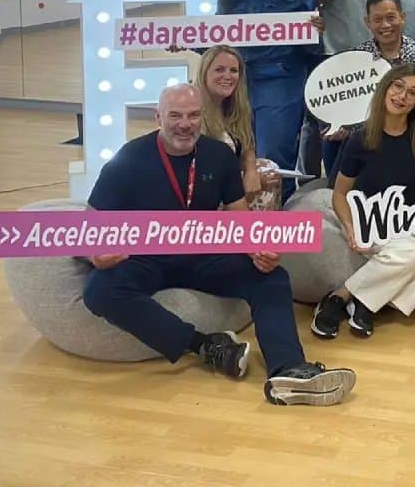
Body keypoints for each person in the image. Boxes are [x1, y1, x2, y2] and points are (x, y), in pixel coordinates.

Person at [82, 84, 356, 407]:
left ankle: (289, 370)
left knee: (272, 277)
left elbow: (240, 220)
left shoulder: (219, 155)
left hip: (202, 255)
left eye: (193, 115)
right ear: (158, 117)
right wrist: (95, 254)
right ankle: (205, 346)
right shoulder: (129, 157)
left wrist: (258, 248)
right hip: (147, 258)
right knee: (98, 290)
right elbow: (90, 221)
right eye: (175, 116)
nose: (185, 123)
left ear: (202, 117)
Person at [312, 65, 415, 340]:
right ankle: (340, 298)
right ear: (385, 87)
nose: (402, 96)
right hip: (371, 220)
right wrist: (349, 228)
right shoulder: (362, 138)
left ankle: (365, 301)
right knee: (410, 253)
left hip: (410, 220)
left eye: (412, 92)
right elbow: (339, 193)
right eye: (398, 86)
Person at [215, 0, 319, 200]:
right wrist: (183, 40)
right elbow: (218, 38)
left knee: (274, 160)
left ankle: (277, 227)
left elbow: (311, 43)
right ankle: (242, 225)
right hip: (236, 83)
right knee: (234, 156)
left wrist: (317, 29)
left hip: (280, 81)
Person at [322, 0, 415, 180]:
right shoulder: (357, 57)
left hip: (411, 130)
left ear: (403, 17)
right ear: (367, 22)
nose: (385, 25)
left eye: (391, 17)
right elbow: (349, 106)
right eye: (377, 20)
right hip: (369, 134)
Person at [192, 45, 278, 211]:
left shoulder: (236, 108)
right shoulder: (193, 112)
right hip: (205, 187)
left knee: (269, 168)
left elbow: (247, 144)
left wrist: (252, 170)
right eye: (219, 70)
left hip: (230, 180)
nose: (227, 76)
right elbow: (204, 170)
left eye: (233, 70)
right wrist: (244, 180)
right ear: (204, 73)